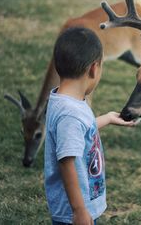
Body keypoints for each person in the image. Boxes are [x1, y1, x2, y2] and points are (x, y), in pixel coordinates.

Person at [44, 27, 134, 225]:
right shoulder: (70, 113)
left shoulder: (66, 100)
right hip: (74, 213)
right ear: (94, 68)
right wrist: (79, 210)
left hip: (81, 207)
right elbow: (67, 161)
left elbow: (80, 132)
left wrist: (108, 118)